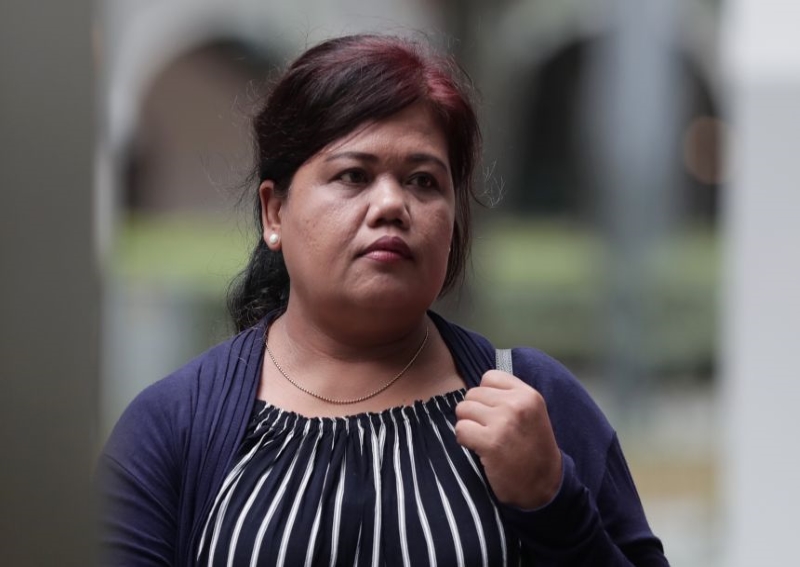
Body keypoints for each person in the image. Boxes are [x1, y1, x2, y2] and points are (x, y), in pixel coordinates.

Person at [96, 34, 669, 566]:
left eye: (423, 181)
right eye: (353, 175)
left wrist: (553, 503)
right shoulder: (173, 428)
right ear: (274, 212)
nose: (392, 204)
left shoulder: (534, 405)